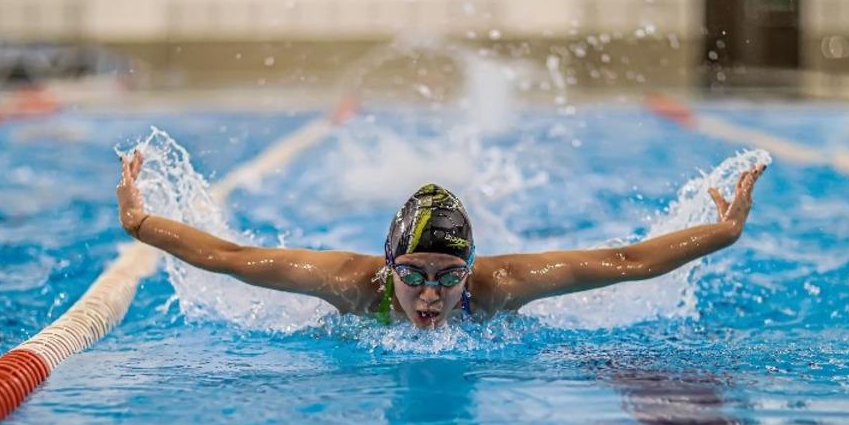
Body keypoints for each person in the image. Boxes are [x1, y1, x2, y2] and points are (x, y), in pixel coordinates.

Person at [116, 149, 765, 329]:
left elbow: (624, 262)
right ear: (389, 264)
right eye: (416, 275)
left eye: (448, 277)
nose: (430, 295)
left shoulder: (501, 286)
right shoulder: (349, 282)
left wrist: (722, 233)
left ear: (471, 270)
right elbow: (230, 259)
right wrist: (142, 225)